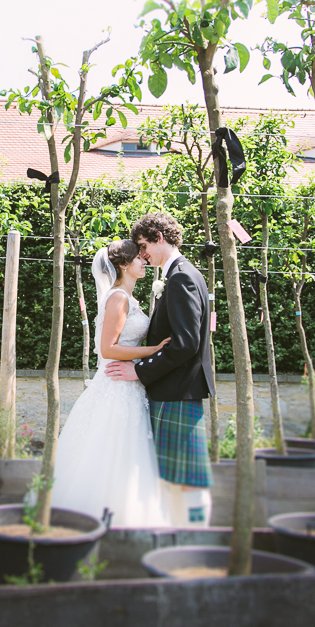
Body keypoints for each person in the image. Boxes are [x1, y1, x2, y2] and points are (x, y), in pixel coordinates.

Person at [50, 239, 172, 528]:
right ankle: (102, 519)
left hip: (127, 385)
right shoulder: (118, 298)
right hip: (116, 387)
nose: (144, 261)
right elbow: (109, 349)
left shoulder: (127, 297)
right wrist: (153, 351)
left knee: (122, 455)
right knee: (111, 451)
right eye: (139, 258)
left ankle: (121, 518)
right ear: (123, 265)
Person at [106, 212, 214, 528]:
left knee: (184, 479)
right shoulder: (182, 273)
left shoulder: (181, 277)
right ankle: (182, 535)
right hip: (176, 390)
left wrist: (140, 371)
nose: (142, 254)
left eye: (143, 246)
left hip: (176, 391)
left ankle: (194, 537)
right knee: (176, 477)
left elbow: (185, 344)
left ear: (159, 238)